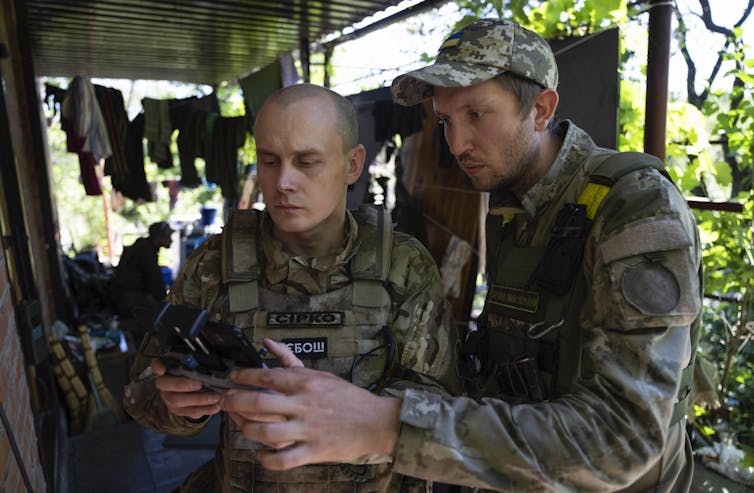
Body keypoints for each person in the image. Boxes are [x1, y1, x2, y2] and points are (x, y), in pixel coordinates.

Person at [221, 19, 703, 492]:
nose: (456, 144)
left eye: (476, 114)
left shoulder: (633, 206)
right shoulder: (515, 204)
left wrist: (387, 424)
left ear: (540, 109)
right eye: (447, 120)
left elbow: (625, 438)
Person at [122, 83, 461, 492]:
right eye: (269, 161)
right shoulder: (214, 266)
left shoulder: (402, 267)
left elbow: (445, 409)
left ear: (353, 164)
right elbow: (142, 392)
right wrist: (183, 406)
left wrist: (353, 409)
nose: (283, 181)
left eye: (307, 162)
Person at [110, 220, 173, 318]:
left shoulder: (143, 246)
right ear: (158, 237)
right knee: (163, 314)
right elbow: (154, 282)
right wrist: (167, 301)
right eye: (168, 236)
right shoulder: (147, 251)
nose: (171, 240)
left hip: (122, 294)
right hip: (128, 297)